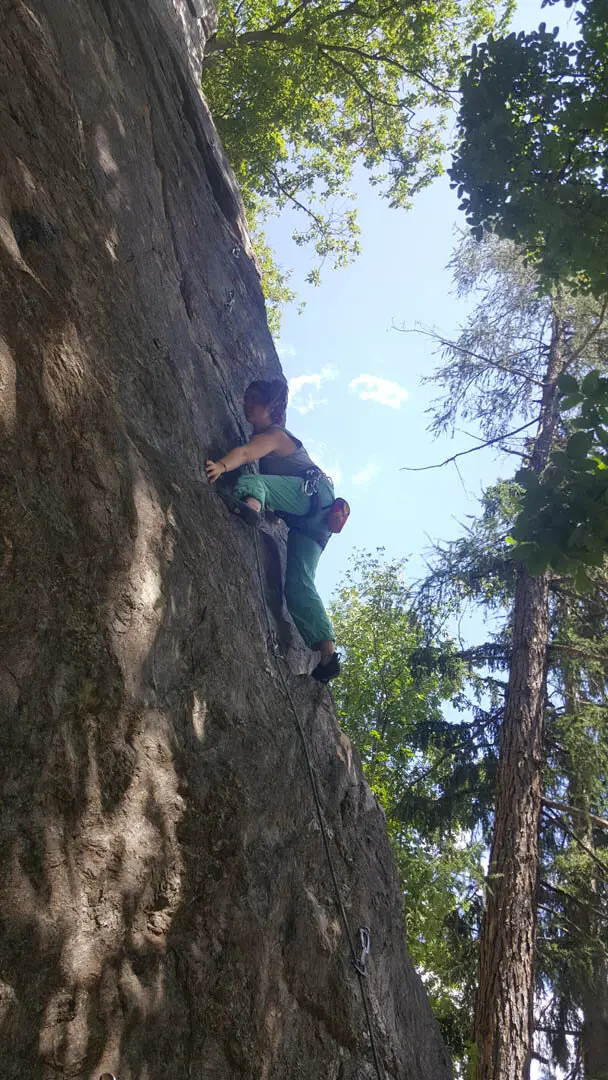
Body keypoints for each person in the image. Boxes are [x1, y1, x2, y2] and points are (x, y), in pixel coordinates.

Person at [205, 379, 341, 683]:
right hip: (315, 521)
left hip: (313, 496)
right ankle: (328, 655)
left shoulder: (275, 436)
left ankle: (249, 509)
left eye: (255, 399)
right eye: (246, 398)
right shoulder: (274, 443)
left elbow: (245, 454)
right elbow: (279, 488)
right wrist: (274, 512)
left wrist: (221, 467)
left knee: (254, 482)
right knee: (298, 586)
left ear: (272, 408)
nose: (247, 404)